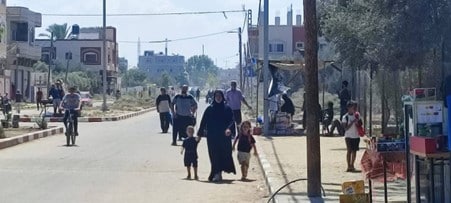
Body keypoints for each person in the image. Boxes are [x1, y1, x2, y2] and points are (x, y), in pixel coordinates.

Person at [198, 90, 236, 182]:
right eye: (216, 96)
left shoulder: (227, 109)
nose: (218, 98)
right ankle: (216, 173)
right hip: (212, 136)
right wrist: (199, 134)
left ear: (222, 97)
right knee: (214, 155)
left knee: (225, 154)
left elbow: (232, 121)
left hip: (224, 136)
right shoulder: (209, 109)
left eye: (220, 96)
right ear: (214, 97)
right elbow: (203, 122)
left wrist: (229, 129)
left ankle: (219, 172)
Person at [342, 101, 360, 172]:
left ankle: (352, 165)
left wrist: (358, 122)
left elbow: (360, 125)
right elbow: (345, 128)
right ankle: (348, 165)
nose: (354, 109)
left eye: (354, 107)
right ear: (348, 108)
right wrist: (352, 122)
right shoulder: (345, 117)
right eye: (352, 107)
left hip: (356, 135)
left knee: (354, 151)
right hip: (348, 136)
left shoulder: (357, 115)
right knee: (349, 150)